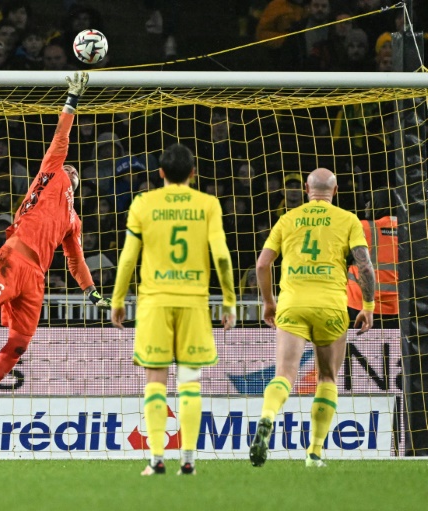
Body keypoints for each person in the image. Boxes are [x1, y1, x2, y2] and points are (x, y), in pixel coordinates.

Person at [0, 72, 112, 431]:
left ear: (81, 188)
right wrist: (72, 99)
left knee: (20, 341)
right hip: (13, 258)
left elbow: (74, 259)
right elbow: (61, 136)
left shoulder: (73, 220)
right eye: (69, 167)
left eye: (77, 173)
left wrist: (90, 291)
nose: (71, 169)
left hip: (36, 277)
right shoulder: (52, 173)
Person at [110, 143, 237, 476]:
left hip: (155, 302)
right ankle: (189, 460)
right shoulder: (208, 204)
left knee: (155, 380)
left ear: (160, 173)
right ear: (193, 173)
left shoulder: (143, 203)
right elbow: (222, 255)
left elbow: (127, 257)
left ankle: (156, 458)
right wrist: (229, 300)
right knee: (190, 382)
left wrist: (118, 299)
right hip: (193, 302)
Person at [250, 168, 375, 468]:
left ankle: (267, 416)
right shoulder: (348, 220)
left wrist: (269, 303)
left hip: (292, 304)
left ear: (306, 189)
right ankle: (314, 453)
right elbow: (366, 267)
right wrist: (368, 306)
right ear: (335, 191)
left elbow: (263, 265)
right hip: (331, 306)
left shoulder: (287, 219)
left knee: (284, 375)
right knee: (327, 377)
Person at [347, 187, 398, 329]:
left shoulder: (362, 227)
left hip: (359, 304)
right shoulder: (411, 230)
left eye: (369, 203)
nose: (366, 206)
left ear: (377, 203)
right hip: (398, 307)